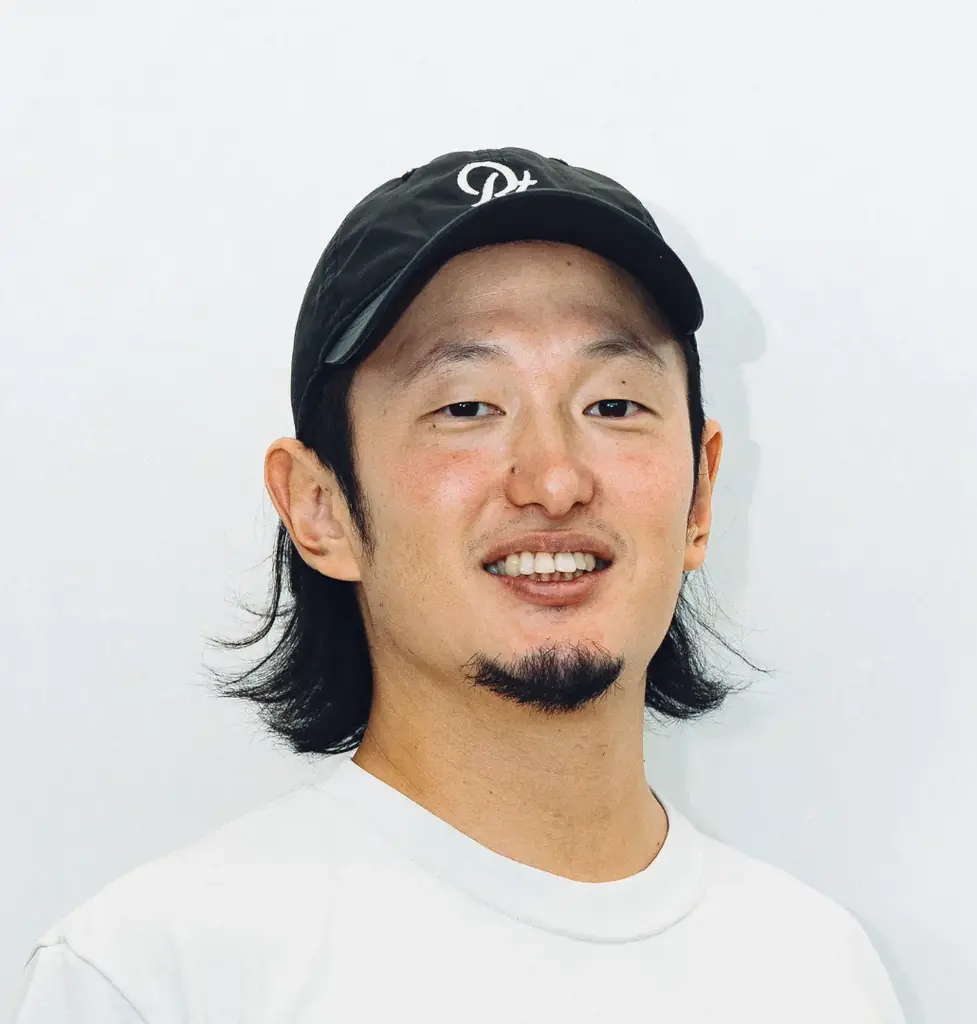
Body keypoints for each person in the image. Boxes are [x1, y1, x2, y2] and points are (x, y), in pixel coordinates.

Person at [11, 146, 905, 1022]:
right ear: (320, 507)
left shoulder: (819, 972)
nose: (554, 480)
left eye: (613, 404)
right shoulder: (155, 978)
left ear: (701, 495)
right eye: (466, 406)